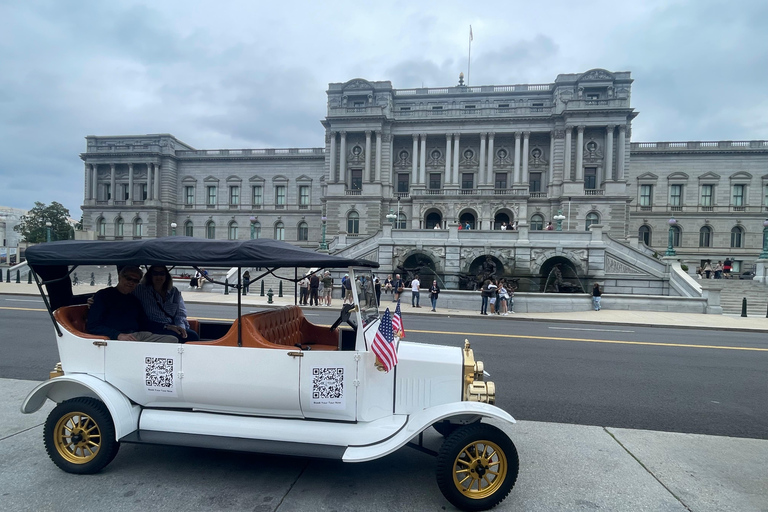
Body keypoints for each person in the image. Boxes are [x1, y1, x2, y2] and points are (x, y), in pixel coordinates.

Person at [86, 266, 179, 343]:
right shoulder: (103, 296)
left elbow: (144, 322)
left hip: (137, 335)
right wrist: (117, 335)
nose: (131, 282)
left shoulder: (134, 300)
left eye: (135, 281)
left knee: (172, 340)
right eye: (128, 278)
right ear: (120, 278)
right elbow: (93, 325)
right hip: (117, 337)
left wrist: (167, 326)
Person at [134, 265, 200, 342]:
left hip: (172, 325)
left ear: (166, 276)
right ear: (150, 276)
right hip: (154, 327)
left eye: (162, 273)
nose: (159, 277)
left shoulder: (174, 291)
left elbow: (180, 313)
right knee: (174, 337)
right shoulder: (140, 290)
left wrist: (180, 328)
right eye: (155, 273)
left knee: (192, 336)